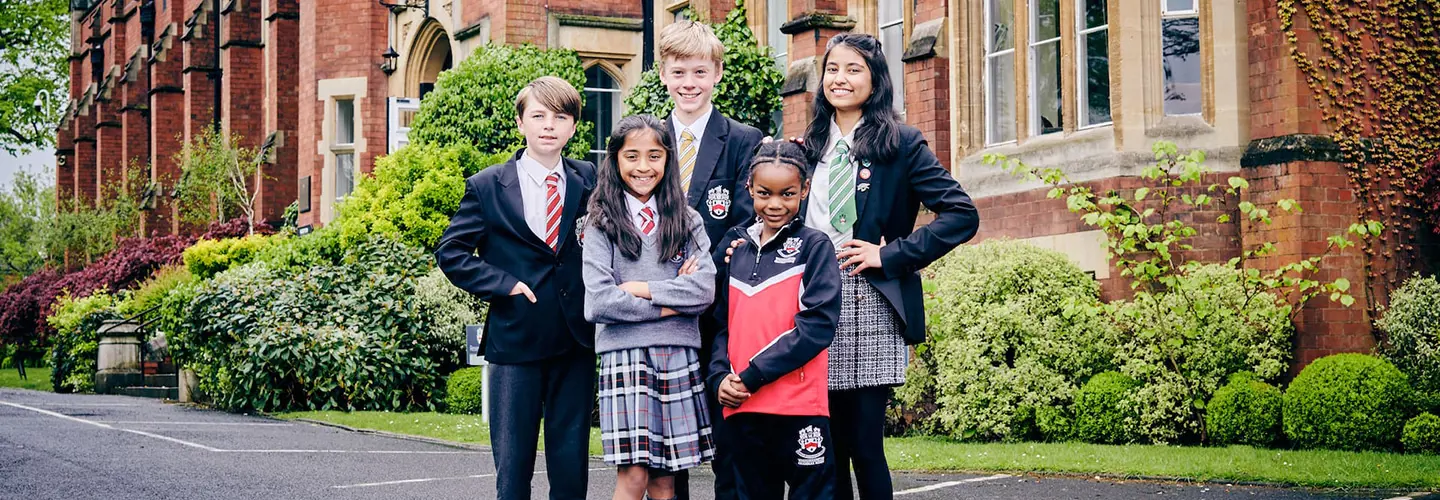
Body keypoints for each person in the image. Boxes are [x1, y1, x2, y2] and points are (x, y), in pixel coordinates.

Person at [801, 33, 980, 499]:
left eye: (853, 69)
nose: (840, 79)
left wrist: (890, 253)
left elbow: (962, 214)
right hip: (810, 297)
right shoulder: (808, 144)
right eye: (833, 69)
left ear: (876, 80)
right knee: (823, 445)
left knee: (864, 443)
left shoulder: (901, 143)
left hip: (869, 298)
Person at [434, 76, 596, 500]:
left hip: (575, 339)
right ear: (520, 123)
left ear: (573, 127)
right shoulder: (487, 185)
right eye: (538, 116)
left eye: (560, 117)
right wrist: (503, 284)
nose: (549, 125)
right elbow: (451, 252)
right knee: (513, 467)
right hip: (515, 341)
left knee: (570, 464)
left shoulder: (589, 178)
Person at [655, 19, 765, 500]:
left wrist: (699, 269)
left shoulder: (743, 140)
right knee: (667, 440)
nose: (689, 84)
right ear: (663, 74)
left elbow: (746, 220)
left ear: (717, 73)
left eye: (699, 72)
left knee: (729, 437)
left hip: (721, 306)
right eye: (678, 73)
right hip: (659, 309)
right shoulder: (645, 139)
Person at [581, 114, 718, 500]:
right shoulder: (601, 221)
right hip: (624, 357)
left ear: (668, 160)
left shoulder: (687, 219)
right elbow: (600, 300)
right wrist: (671, 303)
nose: (644, 167)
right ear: (616, 160)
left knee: (664, 480)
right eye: (633, 156)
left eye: (654, 156)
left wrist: (642, 287)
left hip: (678, 354)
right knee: (634, 476)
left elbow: (704, 290)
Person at [710, 140, 842, 500]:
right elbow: (722, 324)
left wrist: (752, 375)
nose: (775, 204)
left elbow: (816, 327)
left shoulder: (816, 247)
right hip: (741, 406)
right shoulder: (734, 248)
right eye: (764, 193)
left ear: (805, 190)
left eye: (787, 194)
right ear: (749, 188)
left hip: (800, 407)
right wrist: (720, 376)